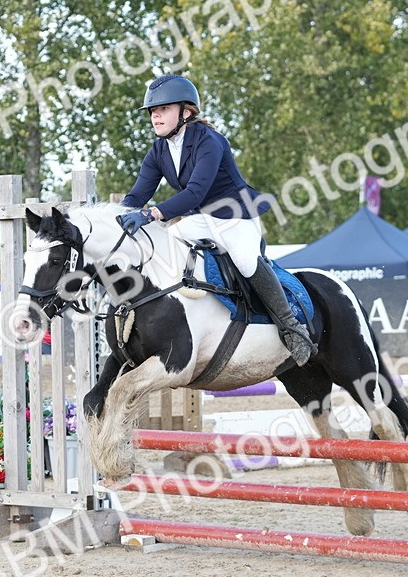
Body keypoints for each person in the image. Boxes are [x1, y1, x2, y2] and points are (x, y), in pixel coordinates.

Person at [117, 74, 317, 366]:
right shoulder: (159, 150)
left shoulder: (208, 141)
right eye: (152, 111)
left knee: (245, 261)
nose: (155, 116)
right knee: (164, 244)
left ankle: (291, 327)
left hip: (234, 216)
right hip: (200, 219)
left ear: (186, 112)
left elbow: (195, 192)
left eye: (164, 109)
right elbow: (137, 195)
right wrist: (116, 217)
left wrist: (151, 214)